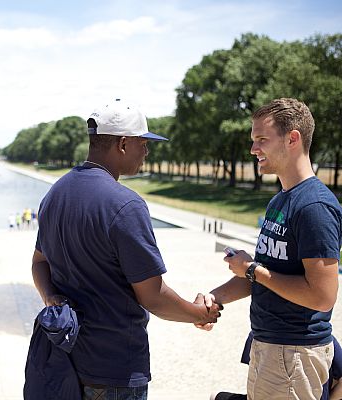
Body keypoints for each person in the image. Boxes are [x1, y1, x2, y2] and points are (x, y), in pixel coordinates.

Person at [30, 99, 221, 399]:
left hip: (65, 360)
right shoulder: (125, 205)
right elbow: (153, 296)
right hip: (114, 368)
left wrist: (50, 298)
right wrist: (199, 313)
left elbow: (39, 263)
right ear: (122, 144)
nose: (146, 151)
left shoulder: (56, 193)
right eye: (142, 143)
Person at [201, 98, 342, 400]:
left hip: (294, 354)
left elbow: (322, 296)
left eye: (261, 140)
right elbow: (265, 276)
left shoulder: (314, 206)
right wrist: (216, 298)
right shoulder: (280, 201)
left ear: (293, 139)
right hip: (270, 349)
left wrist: (252, 268)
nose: (253, 150)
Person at [211, 333, 342, 400]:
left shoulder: (258, 334)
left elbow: (255, 378)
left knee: (216, 396)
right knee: (216, 396)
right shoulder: (322, 339)